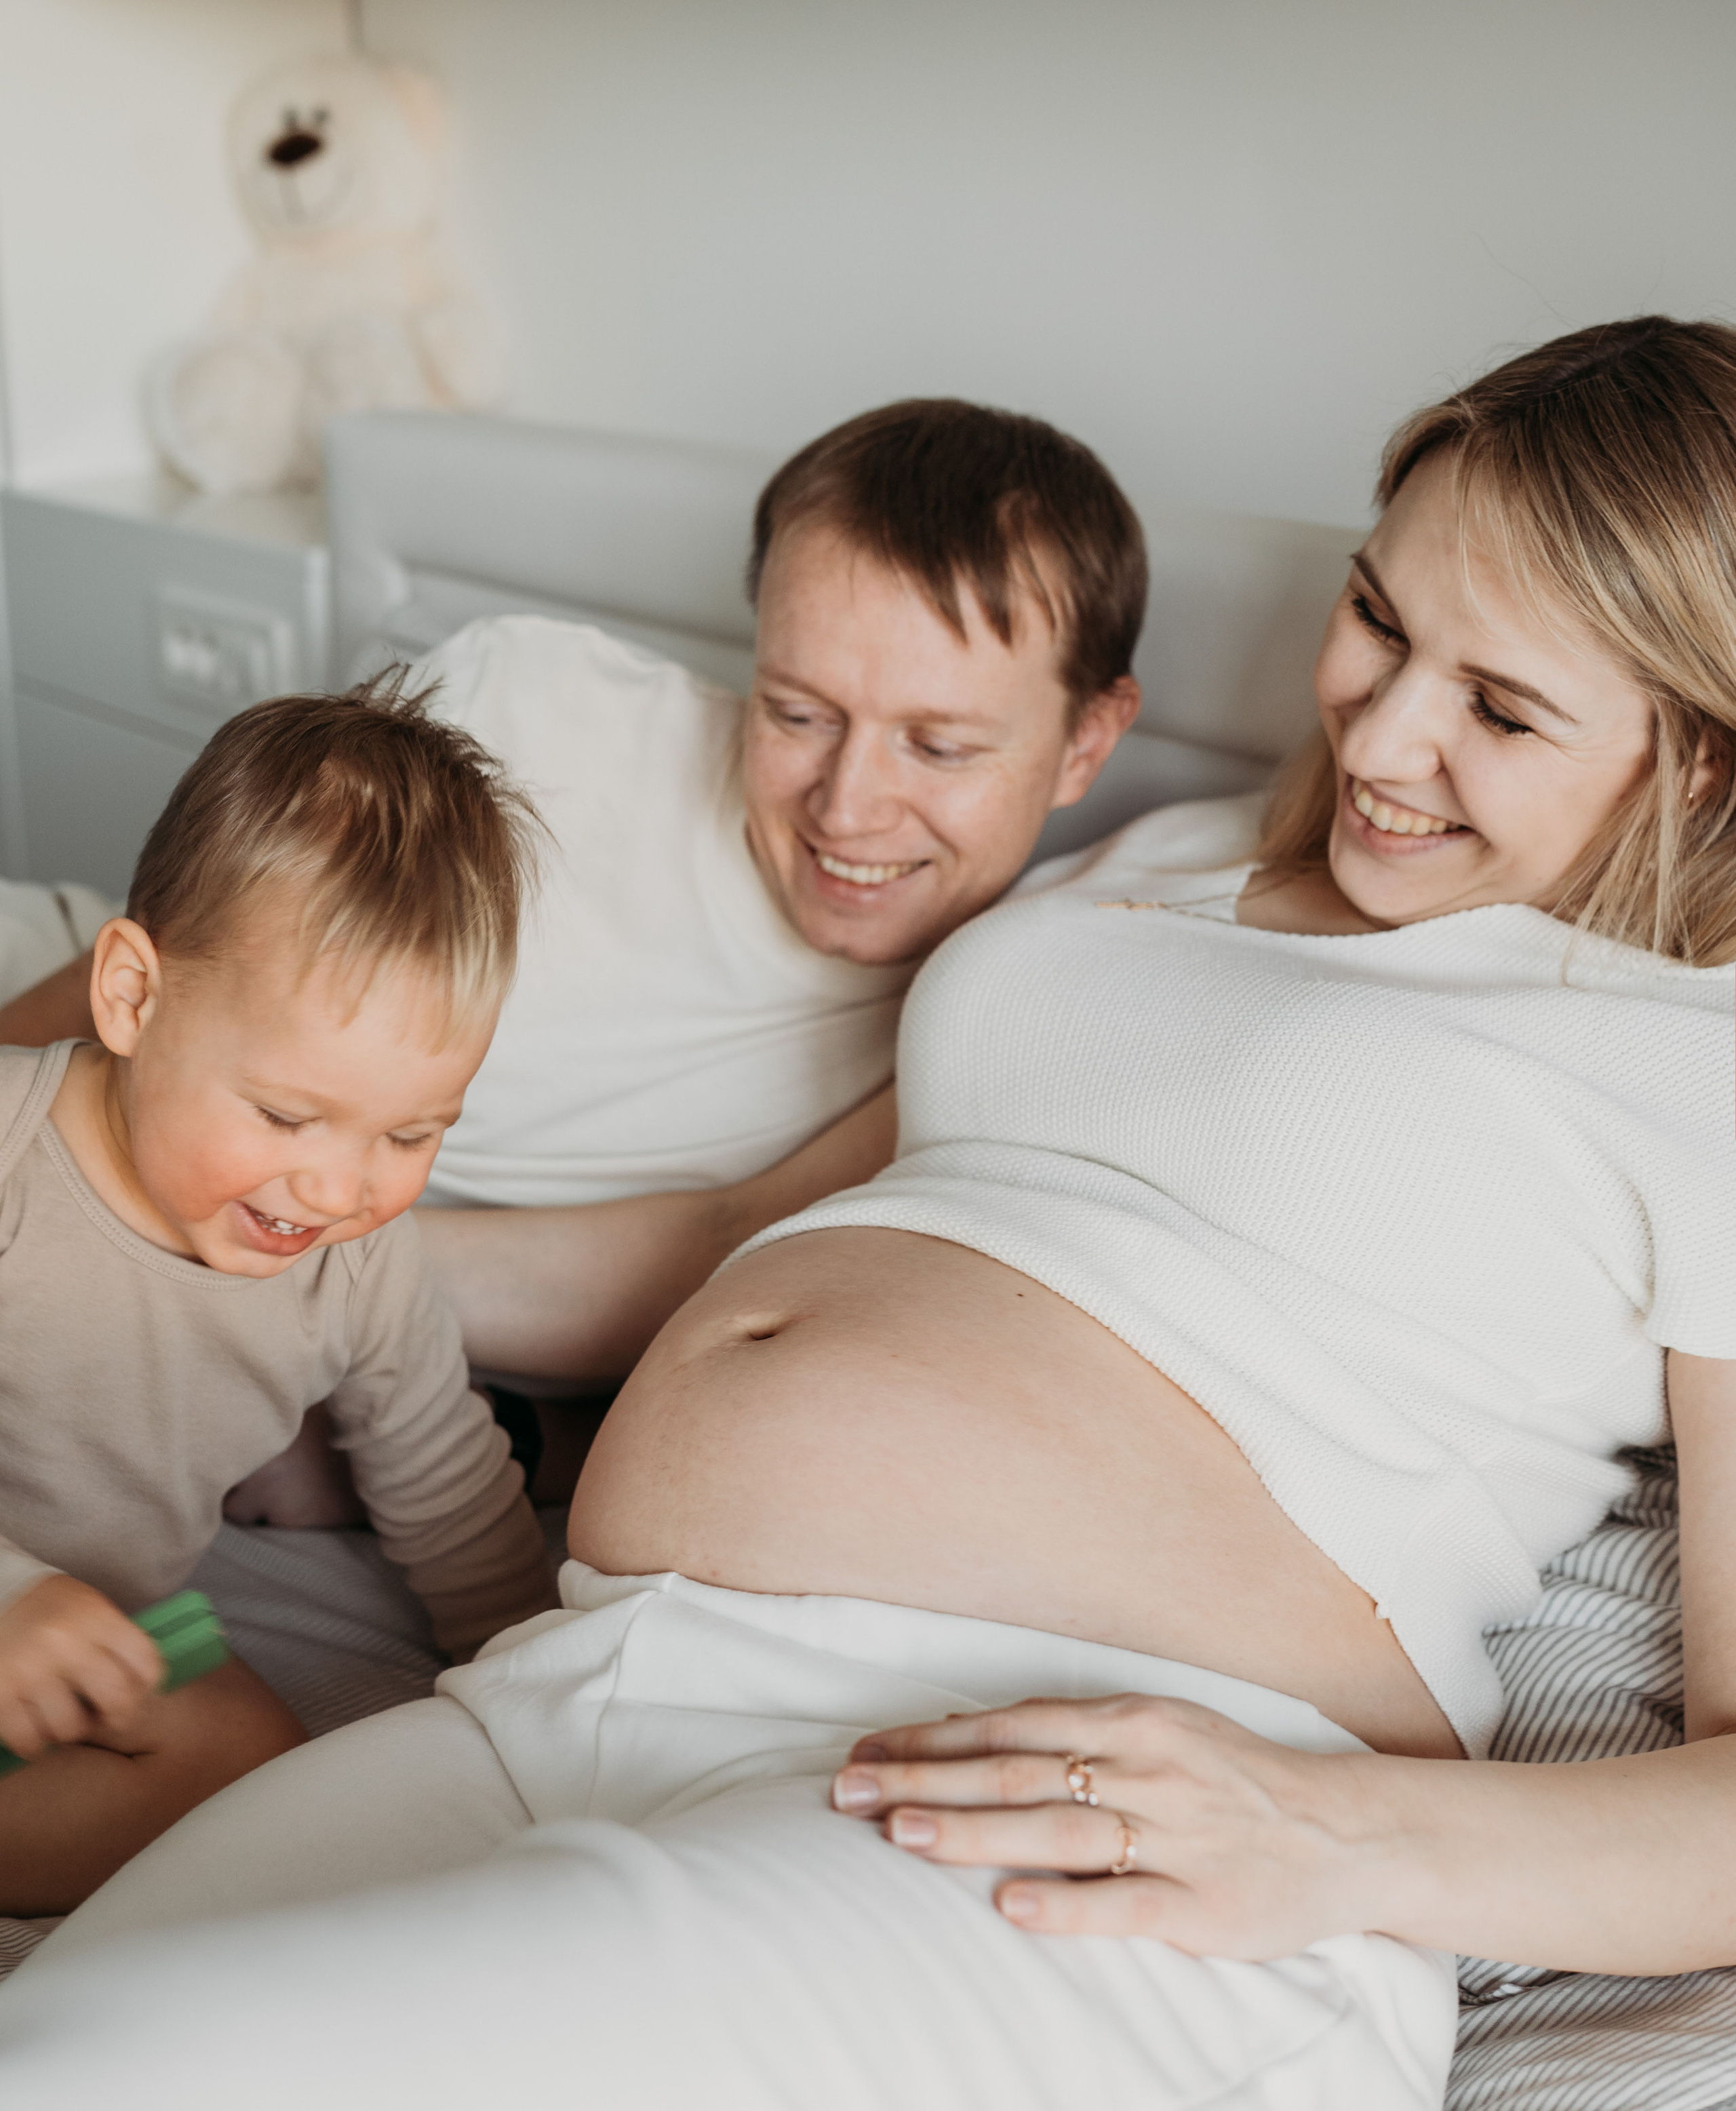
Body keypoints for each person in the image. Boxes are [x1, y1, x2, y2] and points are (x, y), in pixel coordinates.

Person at [5, 316, 1730, 2111]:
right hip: (596, 1674)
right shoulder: (1161, 866)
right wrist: (226, 1226)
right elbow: (742, 1236)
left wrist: (1349, 1839)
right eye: (1377, 619)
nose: (1381, 730)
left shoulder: (1703, 1061)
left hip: (1064, 1799)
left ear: (1695, 758)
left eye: (1503, 707)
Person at [1, 402, 1146, 1465]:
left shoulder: (997, 1002)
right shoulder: (542, 709)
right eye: (797, 714)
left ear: (1090, 742)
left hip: (231, 1227)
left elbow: (715, 1247)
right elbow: (185, 953)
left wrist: (272, 1304)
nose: (847, 807)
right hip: (83, 1050)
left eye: (938, 748)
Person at [0, 679, 557, 1916]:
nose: (341, 1186)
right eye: (287, 1115)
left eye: (414, 1133)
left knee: (256, 1761)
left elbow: (446, 1485)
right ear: (132, 997)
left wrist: (541, 1677)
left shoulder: (354, 1258)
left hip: (90, 1650)